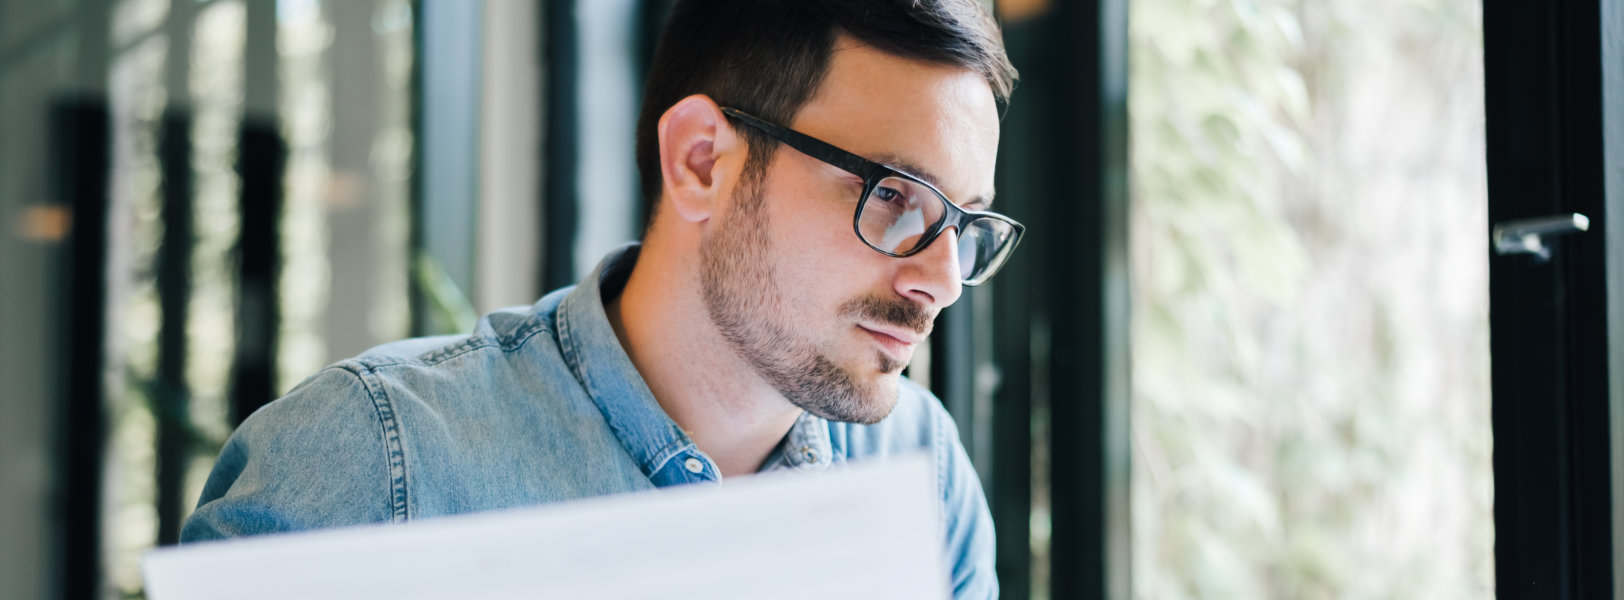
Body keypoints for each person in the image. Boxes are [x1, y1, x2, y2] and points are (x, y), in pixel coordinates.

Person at [180, 0, 1023, 597]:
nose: (942, 279)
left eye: (966, 223)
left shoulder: (922, 469)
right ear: (701, 161)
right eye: (893, 196)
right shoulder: (370, 462)